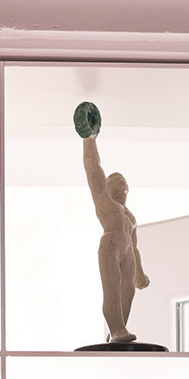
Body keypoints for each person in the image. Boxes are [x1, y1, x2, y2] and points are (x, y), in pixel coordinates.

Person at [81, 131, 150, 343]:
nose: (119, 179)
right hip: (110, 246)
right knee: (112, 289)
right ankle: (117, 328)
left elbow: (135, 247)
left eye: (122, 179)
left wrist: (140, 272)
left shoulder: (131, 216)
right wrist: (89, 141)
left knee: (127, 291)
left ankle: (118, 331)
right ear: (107, 185)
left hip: (127, 250)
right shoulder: (105, 202)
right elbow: (93, 169)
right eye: (113, 178)